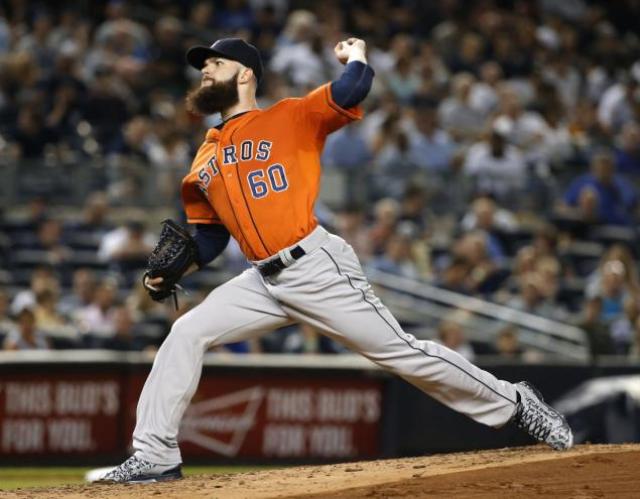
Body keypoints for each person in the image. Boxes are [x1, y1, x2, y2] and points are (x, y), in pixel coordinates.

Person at [96, 37, 572, 484]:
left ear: (244, 74)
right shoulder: (205, 153)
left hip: (314, 267)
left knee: (402, 354)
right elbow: (208, 236)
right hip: (261, 280)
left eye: (214, 64)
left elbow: (352, 88)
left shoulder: (290, 116)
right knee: (185, 333)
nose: (204, 71)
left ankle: (516, 402)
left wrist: (358, 54)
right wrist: (171, 271)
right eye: (203, 66)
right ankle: (155, 454)